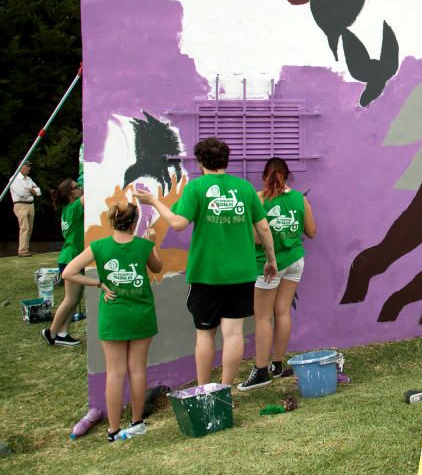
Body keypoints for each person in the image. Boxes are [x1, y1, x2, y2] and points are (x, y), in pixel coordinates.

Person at [135, 138, 277, 388]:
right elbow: (264, 227)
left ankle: (204, 390)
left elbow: (178, 223)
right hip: (241, 273)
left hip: (206, 274)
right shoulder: (244, 188)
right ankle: (225, 391)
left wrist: (154, 201)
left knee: (205, 334)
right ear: (226, 160)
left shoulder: (196, 188)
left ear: (200, 162)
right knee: (234, 334)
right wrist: (270, 260)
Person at [63, 203, 162, 441]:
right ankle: (137, 422)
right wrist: (153, 242)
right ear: (134, 223)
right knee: (137, 369)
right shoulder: (144, 245)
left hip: (113, 316)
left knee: (114, 373)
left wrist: (98, 283)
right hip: (141, 314)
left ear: (113, 221)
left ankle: (113, 429)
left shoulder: (98, 246)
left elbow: (68, 272)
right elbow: (157, 268)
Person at [238, 158, 317, 391]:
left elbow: (254, 238)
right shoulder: (300, 199)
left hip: (267, 265)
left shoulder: (258, 199)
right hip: (295, 261)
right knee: (282, 311)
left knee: (263, 317)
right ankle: (277, 365)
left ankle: (261, 370)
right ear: (288, 175)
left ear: (264, 176)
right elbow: (311, 232)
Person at [42, 178, 84, 347]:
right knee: (70, 298)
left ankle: (63, 333)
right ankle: (51, 332)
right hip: (71, 258)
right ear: (69, 194)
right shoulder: (73, 208)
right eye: (76, 187)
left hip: (73, 257)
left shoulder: (68, 209)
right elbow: (91, 195)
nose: (80, 188)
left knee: (75, 298)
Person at [10, 161, 40, 257]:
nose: (29, 168)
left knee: (29, 228)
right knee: (24, 228)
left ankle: (26, 249)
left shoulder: (29, 179)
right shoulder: (14, 179)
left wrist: (31, 190)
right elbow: (21, 193)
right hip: (20, 205)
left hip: (30, 205)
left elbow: (39, 191)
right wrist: (32, 191)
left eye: (29, 166)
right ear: (20, 167)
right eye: (27, 166)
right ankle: (22, 251)